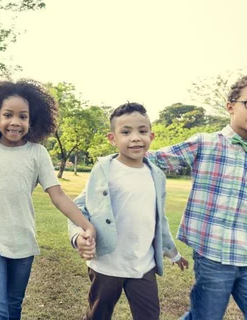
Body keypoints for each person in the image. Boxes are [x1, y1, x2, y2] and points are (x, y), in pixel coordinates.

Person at [147, 75, 247, 320]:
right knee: (205, 316)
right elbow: (154, 159)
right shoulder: (204, 143)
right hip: (213, 252)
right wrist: (121, 148)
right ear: (230, 106)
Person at [0, 79, 97, 320]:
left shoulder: (37, 153)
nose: (15, 122)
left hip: (22, 241)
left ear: (32, 121)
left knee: (12, 307)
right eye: (8, 115)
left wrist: (86, 225)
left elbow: (57, 195)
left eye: (23, 116)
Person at [68, 102, 188, 320]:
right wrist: (78, 236)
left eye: (142, 131)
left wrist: (173, 254)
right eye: (126, 132)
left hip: (143, 265)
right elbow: (78, 208)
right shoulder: (104, 170)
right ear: (112, 138)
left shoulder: (157, 176)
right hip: (107, 264)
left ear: (151, 136)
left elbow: (159, 221)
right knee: (98, 314)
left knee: (149, 315)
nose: (135, 138)